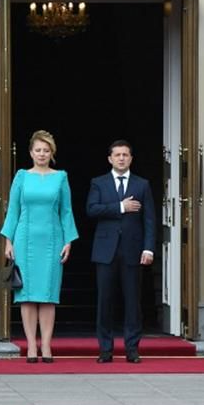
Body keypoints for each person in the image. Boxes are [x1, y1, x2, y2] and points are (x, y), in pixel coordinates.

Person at [1, 131, 78, 364]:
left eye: (46, 150)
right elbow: (13, 209)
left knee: (47, 295)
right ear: (31, 152)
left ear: (51, 153)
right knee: (26, 295)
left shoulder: (60, 177)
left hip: (52, 240)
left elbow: (66, 211)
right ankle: (31, 346)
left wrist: (68, 241)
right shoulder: (22, 176)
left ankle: (46, 345)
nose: (42, 154)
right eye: (38, 150)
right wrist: (8, 240)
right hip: (24, 240)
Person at [86, 140, 155, 364]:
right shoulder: (99, 183)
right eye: (117, 155)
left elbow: (149, 220)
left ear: (131, 158)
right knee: (105, 302)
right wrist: (120, 207)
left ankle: (132, 348)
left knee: (132, 302)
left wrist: (149, 248)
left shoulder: (142, 184)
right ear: (110, 159)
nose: (122, 158)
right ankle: (105, 349)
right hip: (105, 251)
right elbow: (91, 209)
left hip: (133, 251)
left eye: (126, 155)